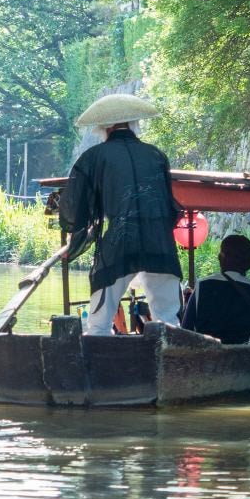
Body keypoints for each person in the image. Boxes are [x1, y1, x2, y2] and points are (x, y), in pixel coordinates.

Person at [59, 93, 184, 335]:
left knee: (99, 323)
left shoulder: (94, 157)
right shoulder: (156, 155)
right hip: (160, 244)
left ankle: (98, 362)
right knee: (168, 321)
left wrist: (73, 238)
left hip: (121, 242)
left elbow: (74, 208)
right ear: (134, 123)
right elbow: (168, 205)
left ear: (103, 128)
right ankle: (171, 362)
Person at [186, 234, 250, 343]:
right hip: (242, 355)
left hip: (205, 354)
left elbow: (186, 327)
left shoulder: (202, 285)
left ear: (221, 257)